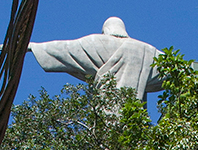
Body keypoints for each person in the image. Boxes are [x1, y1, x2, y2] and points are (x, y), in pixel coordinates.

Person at [27, 18, 163, 102]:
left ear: (106, 30)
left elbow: (65, 48)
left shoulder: (96, 42)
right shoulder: (148, 51)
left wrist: (32, 46)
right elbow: (175, 69)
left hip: (106, 112)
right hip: (136, 121)